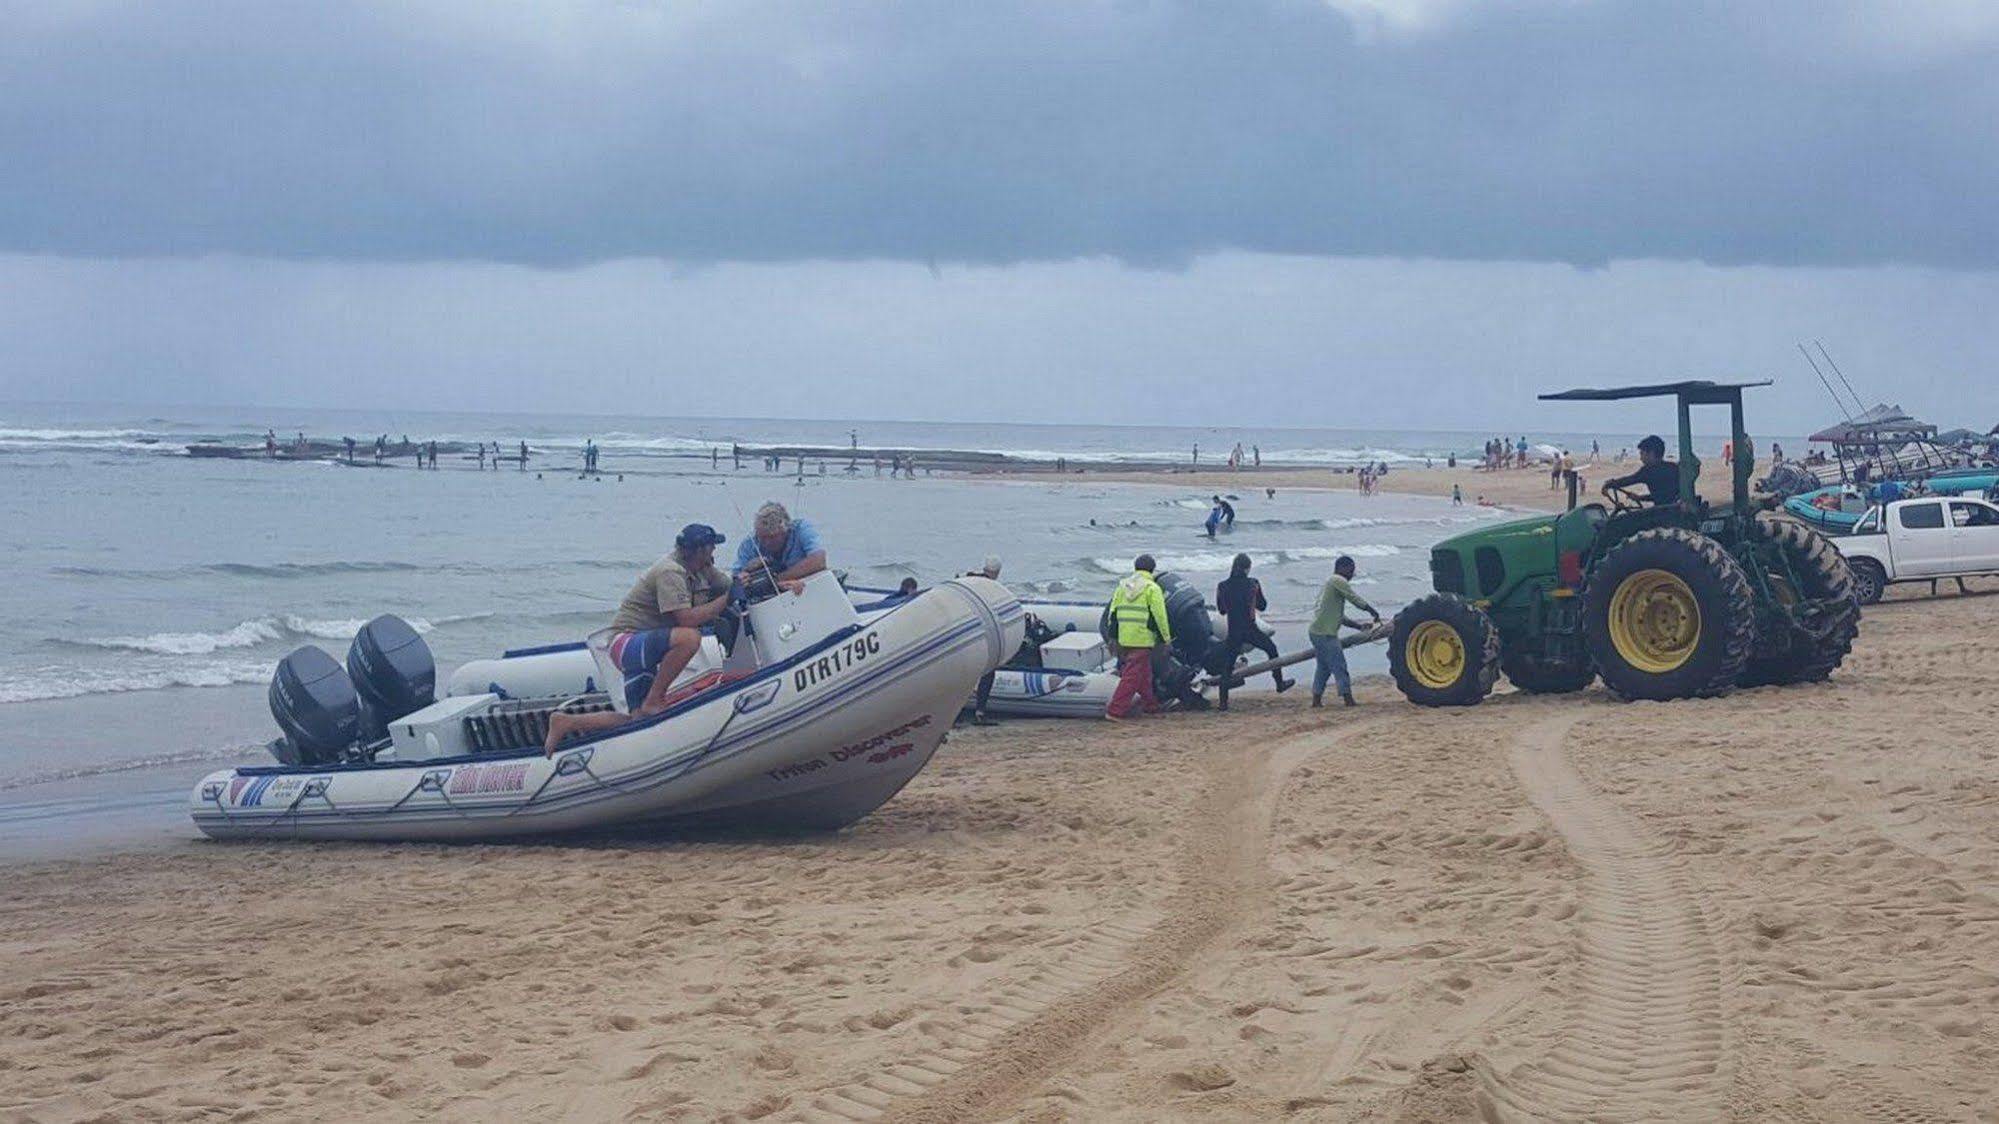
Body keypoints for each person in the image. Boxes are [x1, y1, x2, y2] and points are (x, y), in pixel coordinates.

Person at [543, 524, 757, 754]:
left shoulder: (703, 569)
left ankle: (567, 722)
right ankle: (656, 698)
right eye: (711, 546)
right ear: (699, 550)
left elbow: (730, 587)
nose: (714, 551)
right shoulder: (671, 572)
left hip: (645, 648)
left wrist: (754, 581)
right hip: (627, 644)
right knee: (689, 638)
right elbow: (686, 619)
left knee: (638, 720)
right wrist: (726, 599)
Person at [1213, 554, 1292, 711]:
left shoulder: (1222, 586)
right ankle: (1279, 683)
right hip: (1250, 629)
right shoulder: (1253, 584)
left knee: (1227, 667)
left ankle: (1223, 702)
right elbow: (1262, 606)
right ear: (1247, 568)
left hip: (1234, 630)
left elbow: (1222, 610)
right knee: (1272, 650)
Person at [1105, 555, 1171, 721]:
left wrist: (1113, 637)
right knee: (1132, 676)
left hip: (1124, 637)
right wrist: (1165, 639)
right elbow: (1159, 616)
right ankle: (1115, 710)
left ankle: (1150, 705)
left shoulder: (1122, 586)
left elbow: (1112, 613)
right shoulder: (1152, 588)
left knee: (1144, 673)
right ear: (1152, 570)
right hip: (1141, 638)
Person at [1309, 555, 1379, 708]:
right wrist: (1371, 610)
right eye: (1351, 570)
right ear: (1342, 568)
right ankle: (1348, 699)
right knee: (1339, 665)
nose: (1352, 574)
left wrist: (1359, 627)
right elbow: (1354, 598)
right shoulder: (1338, 581)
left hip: (1316, 631)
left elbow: (1339, 617)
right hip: (1324, 633)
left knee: (1324, 667)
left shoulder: (1330, 583)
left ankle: (1316, 699)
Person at [735, 501, 827, 585]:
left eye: (772, 537)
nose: (767, 542)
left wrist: (776, 580)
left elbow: (819, 561)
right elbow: (734, 579)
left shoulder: (801, 529)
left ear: (785, 531)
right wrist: (747, 570)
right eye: (762, 538)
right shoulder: (749, 544)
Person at [960, 555, 1005, 726]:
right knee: (988, 672)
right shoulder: (992, 587)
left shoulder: (970, 580)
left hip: (966, 634)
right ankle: (980, 711)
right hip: (981, 636)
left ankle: (958, 713)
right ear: (997, 572)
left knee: (965, 674)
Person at [1601, 434, 1680, 507]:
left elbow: (1629, 480)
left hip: (1659, 514)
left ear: (1651, 454)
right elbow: (1662, 496)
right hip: (1672, 510)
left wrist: (1609, 484)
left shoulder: (1648, 471)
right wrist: (1640, 498)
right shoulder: (1673, 467)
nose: (1641, 458)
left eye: (1642, 454)